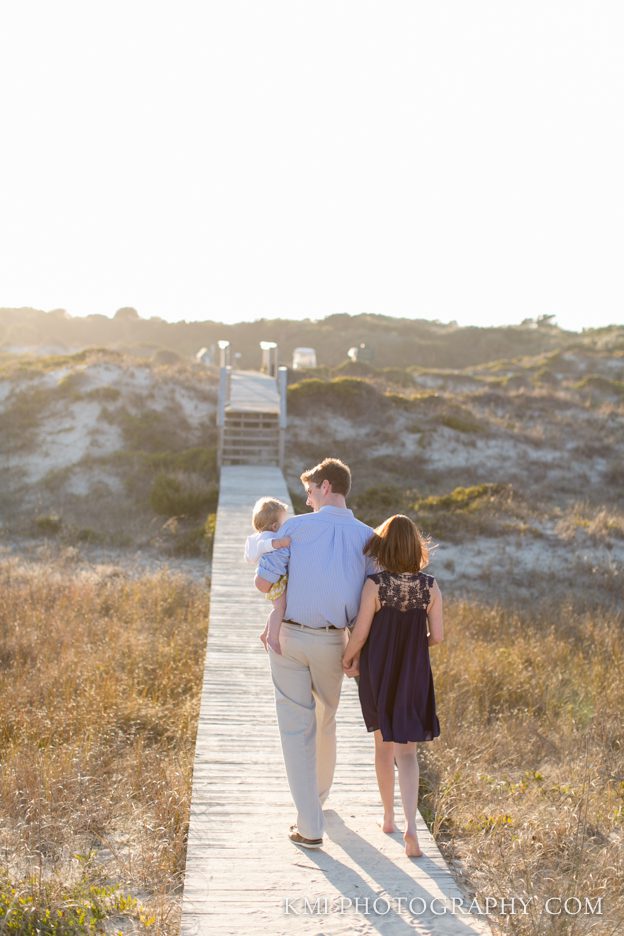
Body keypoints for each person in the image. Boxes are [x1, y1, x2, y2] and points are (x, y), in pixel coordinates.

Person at [255, 458, 376, 849]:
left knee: (296, 729)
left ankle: (310, 823)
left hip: (289, 638)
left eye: (308, 492)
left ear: (325, 486)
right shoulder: (368, 538)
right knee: (326, 722)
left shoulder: (295, 528)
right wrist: (356, 649)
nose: (306, 501)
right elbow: (369, 601)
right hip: (335, 642)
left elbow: (265, 580)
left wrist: (278, 602)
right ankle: (318, 802)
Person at [342, 514, 444, 858]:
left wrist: (349, 656)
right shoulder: (429, 586)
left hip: (378, 671)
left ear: (383, 547)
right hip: (414, 673)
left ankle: (388, 819)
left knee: (383, 748)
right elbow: (438, 636)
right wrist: (414, 646)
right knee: (408, 753)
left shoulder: (375, 584)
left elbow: (361, 632)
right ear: (417, 548)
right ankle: (412, 830)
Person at [244, 497, 291, 654]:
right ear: (275, 526)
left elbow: (250, 557)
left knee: (278, 607)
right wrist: (279, 543)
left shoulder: (258, 537)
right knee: (280, 608)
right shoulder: (270, 538)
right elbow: (264, 545)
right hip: (268, 578)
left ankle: (265, 634)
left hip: (266, 578)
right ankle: (272, 637)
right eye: (285, 523)